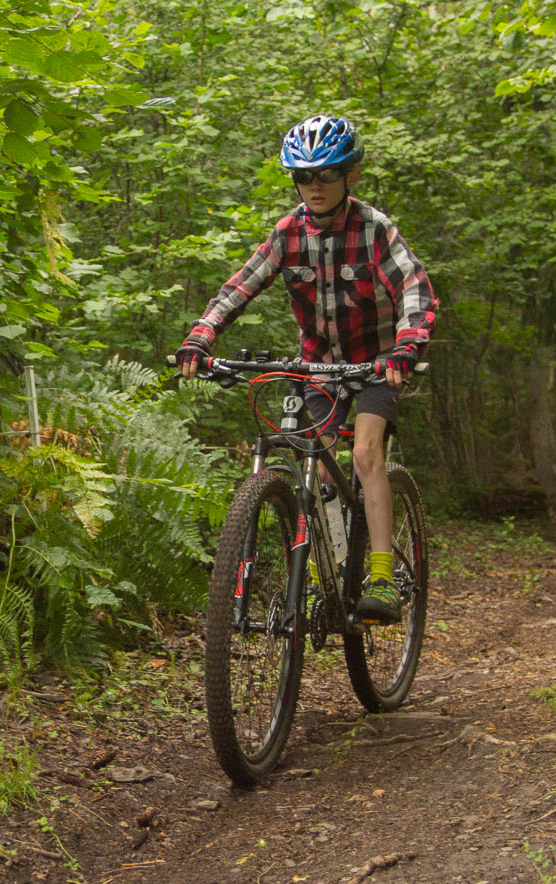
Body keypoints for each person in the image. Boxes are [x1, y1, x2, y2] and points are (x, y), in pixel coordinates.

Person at [176, 114, 437, 628]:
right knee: (314, 462)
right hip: (319, 364)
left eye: (327, 174)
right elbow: (239, 287)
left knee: (365, 453)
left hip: (376, 363)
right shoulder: (288, 232)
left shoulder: (374, 229)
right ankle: (323, 574)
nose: (314, 186)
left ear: (351, 174)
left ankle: (381, 577)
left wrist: (408, 346)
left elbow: (413, 288)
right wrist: (201, 336)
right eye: (303, 176)